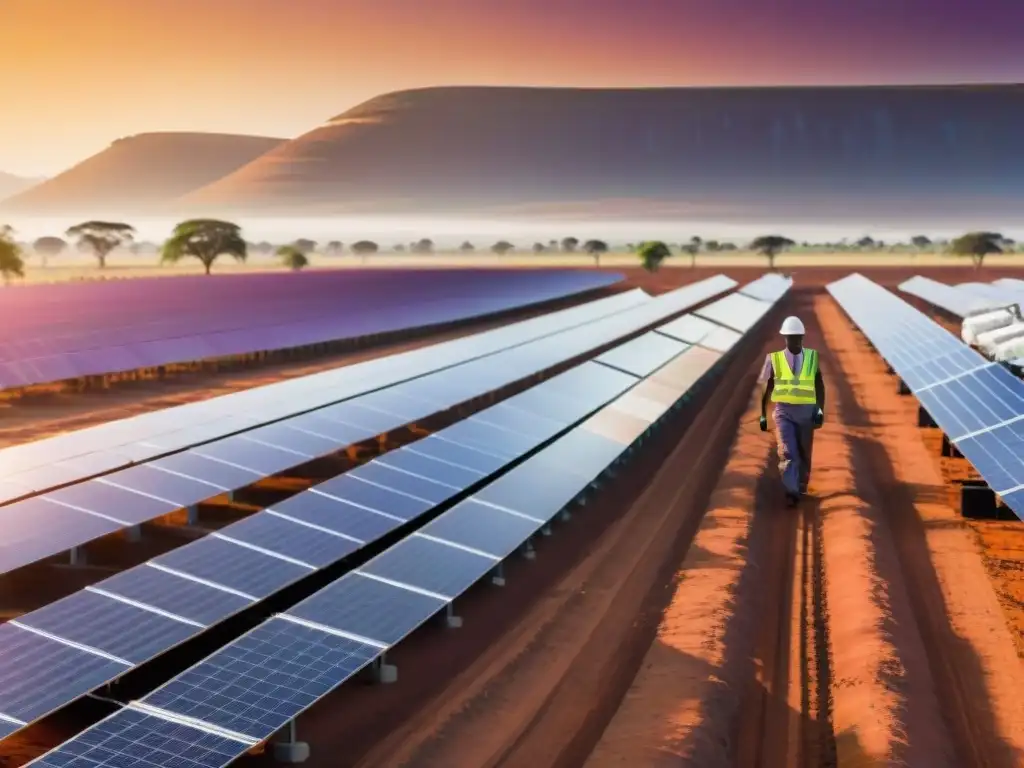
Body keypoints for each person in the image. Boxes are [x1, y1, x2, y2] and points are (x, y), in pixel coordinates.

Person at [759, 316, 826, 506]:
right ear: (785, 338)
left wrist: (820, 410)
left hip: (806, 412)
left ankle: (801, 484)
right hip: (783, 412)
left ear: (802, 337)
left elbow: (819, 385)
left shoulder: (812, 357)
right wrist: (763, 414)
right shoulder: (773, 359)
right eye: (790, 336)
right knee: (788, 451)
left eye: (797, 337)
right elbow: (766, 386)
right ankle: (791, 491)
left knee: (804, 452)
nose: (794, 340)